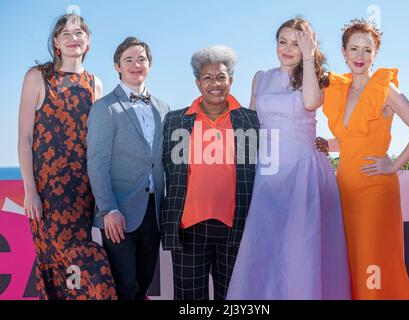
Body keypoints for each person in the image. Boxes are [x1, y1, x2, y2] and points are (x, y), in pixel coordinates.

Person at [226, 18, 351, 300]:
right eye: (283, 41)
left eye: (296, 43)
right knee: (267, 243)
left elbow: (310, 102)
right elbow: (252, 121)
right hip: (268, 171)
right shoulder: (261, 76)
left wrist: (308, 57)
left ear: (309, 46)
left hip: (302, 170)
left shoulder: (314, 76)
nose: (287, 48)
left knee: (300, 245)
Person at [317, 18, 409, 299]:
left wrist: (393, 165)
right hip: (344, 189)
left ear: (375, 54)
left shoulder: (385, 89)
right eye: (354, 49)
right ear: (343, 52)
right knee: (353, 263)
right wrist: (327, 144)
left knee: (373, 264)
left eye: (367, 50)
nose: (360, 56)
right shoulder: (339, 89)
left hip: (374, 192)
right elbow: (353, 139)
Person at [18, 13, 117, 300]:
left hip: (82, 192)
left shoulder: (94, 83)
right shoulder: (37, 77)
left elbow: (97, 143)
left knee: (72, 271)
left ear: (88, 42)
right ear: (56, 44)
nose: (74, 38)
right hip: (46, 195)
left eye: (79, 33)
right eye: (66, 34)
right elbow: (24, 138)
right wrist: (29, 191)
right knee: (68, 262)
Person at [160, 45, 260, 300]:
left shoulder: (250, 121)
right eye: (207, 77)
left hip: (236, 228)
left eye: (221, 77)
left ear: (231, 81)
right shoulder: (175, 120)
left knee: (234, 299)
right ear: (197, 83)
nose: (215, 83)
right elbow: (167, 169)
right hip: (188, 229)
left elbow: (261, 168)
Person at [87, 37, 169, 300]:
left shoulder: (163, 108)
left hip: (153, 212)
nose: (136, 65)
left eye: (141, 59)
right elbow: (97, 162)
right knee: (126, 288)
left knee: (143, 285)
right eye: (129, 60)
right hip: (118, 214)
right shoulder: (105, 108)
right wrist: (108, 209)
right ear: (117, 66)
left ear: (150, 64)